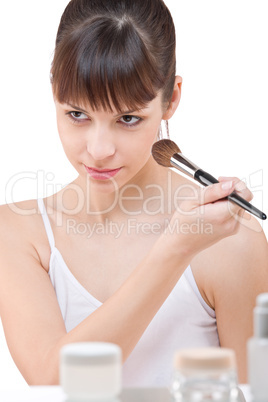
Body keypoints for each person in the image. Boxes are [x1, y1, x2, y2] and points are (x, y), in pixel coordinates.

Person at [0, 0, 267, 388]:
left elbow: (254, 394)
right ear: (53, 90)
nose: (98, 149)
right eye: (77, 114)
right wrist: (175, 249)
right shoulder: (19, 232)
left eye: (128, 119)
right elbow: (53, 380)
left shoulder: (231, 241)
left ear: (171, 99)